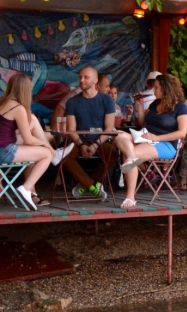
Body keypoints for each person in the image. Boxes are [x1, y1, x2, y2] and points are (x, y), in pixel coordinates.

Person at [115, 74, 187, 208]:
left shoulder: (180, 108)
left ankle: (130, 197)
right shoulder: (155, 104)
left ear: (166, 89)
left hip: (166, 144)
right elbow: (141, 123)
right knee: (119, 135)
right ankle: (132, 158)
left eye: (156, 87)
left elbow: (182, 132)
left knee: (131, 153)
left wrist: (157, 138)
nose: (153, 90)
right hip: (145, 137)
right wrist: (139, 107)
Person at [62, 67, 117, 201]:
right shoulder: (72, 101)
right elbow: (71, 130)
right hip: (79, 141)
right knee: (64, 156)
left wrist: (96, 145)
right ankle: (93, 186)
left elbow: (109, 128)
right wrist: (80, 145)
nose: (81, 80)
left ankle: (85, 185)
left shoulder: (106, 100)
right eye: (80, 77)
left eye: (86, 77)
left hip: (100, 141)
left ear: (95, 80)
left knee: (113, 153)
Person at [3, 74, 55, 210]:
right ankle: (26, 188)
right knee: (46, 154)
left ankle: (55, 154)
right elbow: (28, 139)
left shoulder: (2, 102)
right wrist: (45, 145)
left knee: (32, 121)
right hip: (4, 151)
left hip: (3, 145)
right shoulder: (18, 108)